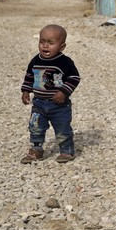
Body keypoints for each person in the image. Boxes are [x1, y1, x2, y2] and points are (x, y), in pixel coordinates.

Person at [20, 24, 81, 163]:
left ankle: (66, 151)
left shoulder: (64, 62)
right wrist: (26, 91)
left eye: (51, 43)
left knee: (62, 127)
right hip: (39, 103)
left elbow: (74, 78)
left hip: (59, 105)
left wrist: (63, 92)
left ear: (62, 46)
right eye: (42, 41)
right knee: (35, 127)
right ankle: (36, 150)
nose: (45, 46)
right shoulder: (36, 60)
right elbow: (30, 76)